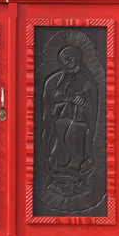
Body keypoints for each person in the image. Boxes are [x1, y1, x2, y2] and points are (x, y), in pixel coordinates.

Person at [41, 45, 98, 200]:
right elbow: (49, 102)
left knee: (75, 132)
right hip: (60, 119)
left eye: (71, 57)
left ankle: (75, 172)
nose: (68, 61)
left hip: (80, 121)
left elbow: (92, 100)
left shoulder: (87, 81)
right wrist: (59, 99)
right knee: (60, 133)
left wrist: (84, 101)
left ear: (77, 57)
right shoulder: (55, 80)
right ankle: (58, 170)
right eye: (65, 58)